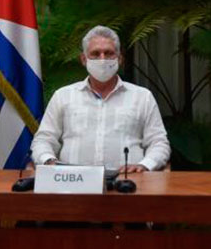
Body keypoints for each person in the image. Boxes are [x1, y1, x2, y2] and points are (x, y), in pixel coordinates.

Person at [31, 25, 171, 172]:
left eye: (109, 53)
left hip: (129, 183)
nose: (102, 59)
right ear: (84, 59)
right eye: (95, 54)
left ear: (120, 58)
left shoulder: (142, 97)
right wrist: (49, 161)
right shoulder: (63, 96)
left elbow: (159, 143)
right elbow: (43, 140)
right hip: (72, 184)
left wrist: (144, 165)